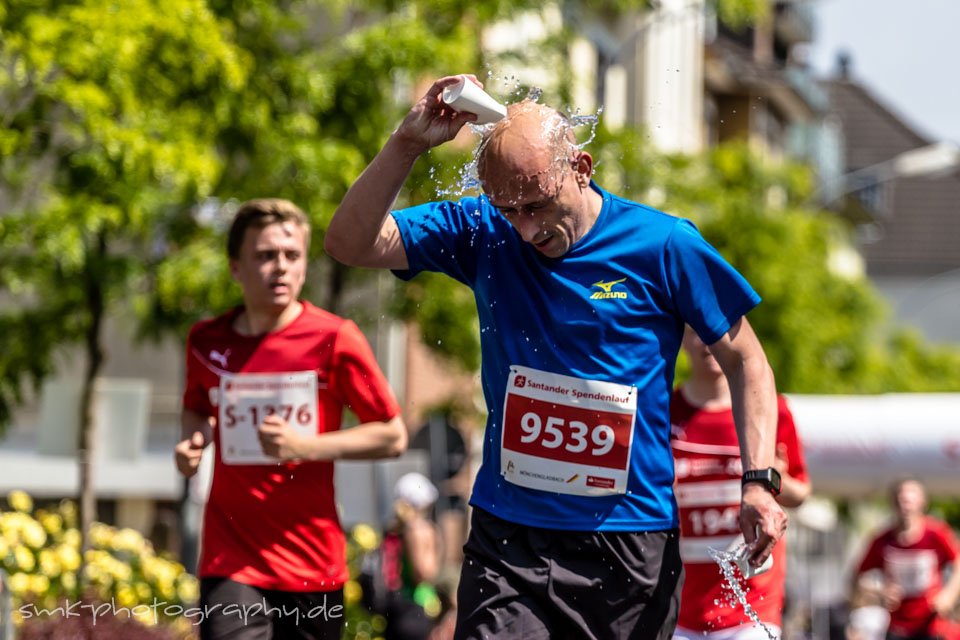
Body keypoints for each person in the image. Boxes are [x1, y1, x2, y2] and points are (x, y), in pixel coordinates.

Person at [324, 74, 787, 640]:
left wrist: (758, 480)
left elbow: (746, 361)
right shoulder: (483, 231)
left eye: (538, 205)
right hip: (509, 537)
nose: (527, 229)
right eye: (509, 209)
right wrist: (406, 144)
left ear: (581, 168)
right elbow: (349, 244)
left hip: (628, 540)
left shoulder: (664, 245)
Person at [174, 198, 408, 640]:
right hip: (231, 560)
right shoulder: (206, 341)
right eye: (264, 256)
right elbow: (196, 409)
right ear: (235, 268)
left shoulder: (334, 338)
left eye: (291, 255)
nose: (280, 267)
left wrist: (306, 447)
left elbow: (392, 435)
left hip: (311, 564)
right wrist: (192, 445)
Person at [671, 326, 811, 639]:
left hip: (753, 604)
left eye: (716, 330)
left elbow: (800, 493)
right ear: (682, 341)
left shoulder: (771, 409)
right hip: (678, 607)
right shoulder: (665, 410)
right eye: (696, 331)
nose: (708, 341)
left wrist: (770, 477)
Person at [850, 476, 960, 640]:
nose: (905, 504)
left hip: (932, 623)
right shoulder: (882, 541)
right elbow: (856, 579)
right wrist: (880, 592)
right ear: (893, 503)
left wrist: (949, 595)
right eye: (901, 499)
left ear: (922, 502)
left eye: (911, 499)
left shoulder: (936, 533)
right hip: (898, 626)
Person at [364, 471, 446, 640]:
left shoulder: (393, 529)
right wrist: (436, 545)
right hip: (415, 607)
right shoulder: (418, 530)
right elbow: (424, 573)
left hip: (394, 606)